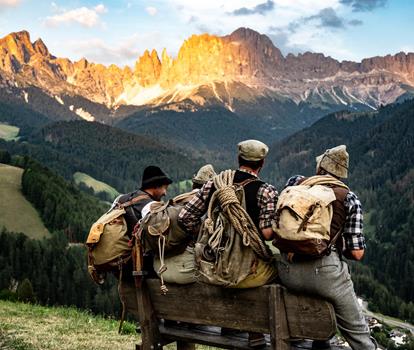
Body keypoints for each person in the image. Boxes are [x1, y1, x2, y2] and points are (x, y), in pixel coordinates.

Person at [178, 139, 278, 347]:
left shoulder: (214, 184)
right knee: (276, 271)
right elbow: (268, 234)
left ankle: (232, 325)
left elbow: (185, 217)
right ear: (262, 164)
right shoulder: (266, 191)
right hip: (246, 273)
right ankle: (255, 331)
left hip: (212, 268)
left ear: (238, 159)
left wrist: (209, 232)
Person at [276, 145, 376, 350]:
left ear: (320, 167)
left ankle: (319, 340)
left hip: (287, 271)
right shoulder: (349, 198)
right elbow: (356, 253)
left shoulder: (295, 183)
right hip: (324, 276)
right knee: (358, 332)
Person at [116, 166, 172, 321]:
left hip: (121, 262)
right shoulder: (149, 206)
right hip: (140, 267)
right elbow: (161, 234)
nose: (165, 193)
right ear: (155, 186)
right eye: (164, 188)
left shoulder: (120, 199)